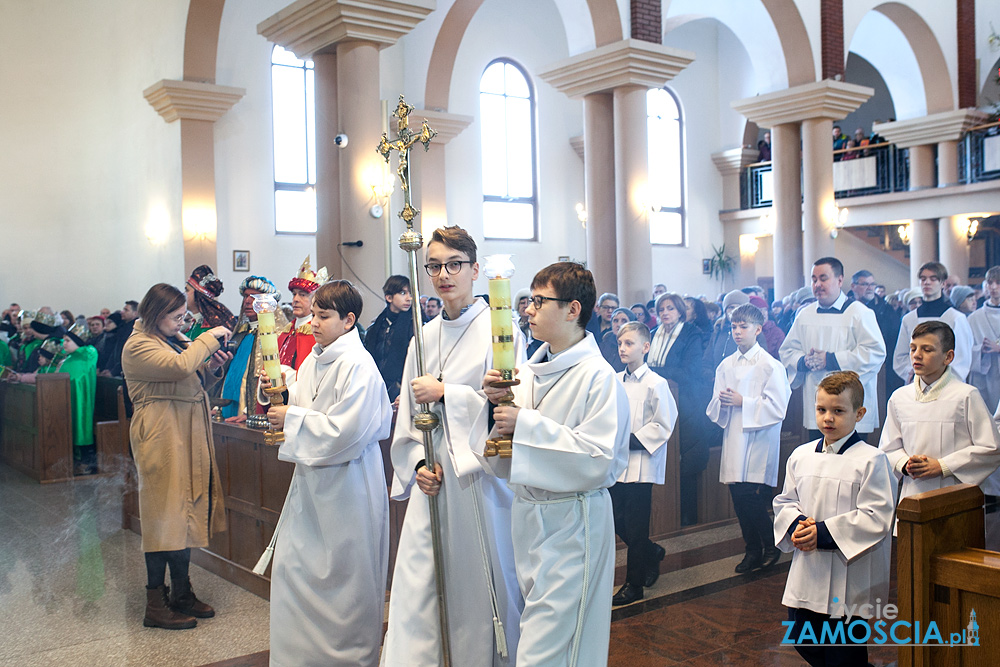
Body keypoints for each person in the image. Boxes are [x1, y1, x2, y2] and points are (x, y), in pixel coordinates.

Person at [381, 226, 523, 667]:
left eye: (454, 265)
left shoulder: (500, 331)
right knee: (421, 581)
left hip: (478, 480)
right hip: (434, 481)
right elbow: (407, 418)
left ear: (475, 270)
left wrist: (447, 392)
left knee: (478, 582)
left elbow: (506, 407)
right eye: (435, 266)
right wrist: (418, 461)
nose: (444, 274)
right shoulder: (421, 337)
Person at [484, 261, 629, 666]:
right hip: (529, 519)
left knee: (547, 652)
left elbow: (600, 460)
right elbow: (505, 451)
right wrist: (495, 410)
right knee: (539, 637)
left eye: (538, 300)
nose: (527, 309)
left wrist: (524, 425)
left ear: (572, 309)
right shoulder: (527, 373)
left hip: (573, 524)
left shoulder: (599, 377)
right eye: (529, 300)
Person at [259, 280, 392, 666]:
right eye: (313, 314)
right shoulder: (314, 359)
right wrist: (281, 390)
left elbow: (344, 433)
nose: (313, 323)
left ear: (349, 320)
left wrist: (292, 417)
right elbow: (301, 401)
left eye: (323, 316)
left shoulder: (359, 366)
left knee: (345, 584)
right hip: (311, 488)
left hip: (348, 488)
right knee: (295, 572)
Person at [121, 283, 233, 630]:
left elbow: (194, 382)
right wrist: (210, 337)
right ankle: (155, 602)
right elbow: (180, 367)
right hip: (161, 434)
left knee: (184, 512)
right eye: (176, 317)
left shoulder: (172, 339)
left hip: (186, 429)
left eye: (184, 316)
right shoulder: (138, 345)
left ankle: (182, 593)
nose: (182, 323)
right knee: (162, 517)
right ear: (154, 315)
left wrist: (213, 367)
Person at [773, 371, 895, 667]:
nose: (828, 418)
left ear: (859, 414)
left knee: (844, 653)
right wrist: (796, 525)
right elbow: (785, 501)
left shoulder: (871, 459)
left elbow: (876, 515)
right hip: (810, 569)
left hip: (849, 573)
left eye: (838, 411)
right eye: (822, 409)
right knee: (804, 638)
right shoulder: (801, 456)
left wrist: (823, 533)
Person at [707, 304, 790, 574]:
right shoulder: (726, 364)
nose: (737, 332)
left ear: (757, 329)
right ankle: (752, 549)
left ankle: (769, 545)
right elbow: (714, 408)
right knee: (738, 498)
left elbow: (778, 407)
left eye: (743, 326)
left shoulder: (769, 365)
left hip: (759, 439)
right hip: (734, 437)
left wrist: (745, 402)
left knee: (752, 497)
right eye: (734, 326)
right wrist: (722, 403)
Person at [880, 321, 1000, 507]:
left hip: (956, 496)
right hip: (912, 497)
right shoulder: (899, 397)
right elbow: (888, 448)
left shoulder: (965, 395)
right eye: (913, 349)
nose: (917, 355)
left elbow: (991, 448)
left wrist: (943, 465)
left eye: (927, 349)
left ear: (948, 356)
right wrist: (905, 464)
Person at [779, 257, 886, 440]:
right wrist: (803, 361)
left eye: (823, 278)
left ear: (839, 280)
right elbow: (787, 351)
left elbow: (875, 352)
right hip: (817, 403)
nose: (817, 284)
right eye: (814, 280)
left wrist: (830, 359)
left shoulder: (859, 313)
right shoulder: (805, 315)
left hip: (849, 403)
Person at [609, 321, 676, 606]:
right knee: (614, 518)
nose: (623, 348)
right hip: (616, 463)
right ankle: (651, 552)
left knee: (636, 528)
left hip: (641, 464)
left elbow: (664, 423)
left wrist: (631, 440)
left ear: (645, 347)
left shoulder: (655, 383)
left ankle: (633, 584)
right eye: (621, 343)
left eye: (630, 344)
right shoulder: (613, 379)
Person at [648, 292, 714, 525]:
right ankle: (665, 515)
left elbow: (690, 371)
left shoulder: (691, 333)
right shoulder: (653, 335)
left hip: (686, 404)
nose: (665, 313)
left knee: (685, 461)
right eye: (661, 309)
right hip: (657, 402)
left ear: (680, 312)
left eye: (671, 308)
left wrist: (656, 373)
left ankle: (687, 514)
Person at [893, 262, 974, 383]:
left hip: (947, 385)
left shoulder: (955, 318)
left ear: (942, 283)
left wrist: (937, 377)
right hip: (915, 382)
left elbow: (962, 358)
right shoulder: (909, 319)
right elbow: (901, 356)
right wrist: (913, 371)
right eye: (923, 279)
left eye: (933, 279)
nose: (927, 282)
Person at [220, 275, 281, 421]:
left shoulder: (275, 336)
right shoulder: (241, 334)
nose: (247, 301)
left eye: (254, 297)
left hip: (250, 414)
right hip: (228, 409)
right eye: (246, 296)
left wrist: (250, 411)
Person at [363, 274, 414, 403]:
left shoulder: (415, 324)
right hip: (377, 389)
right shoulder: (377, 326)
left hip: (404, 390)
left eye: (410, 293)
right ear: (389, 297)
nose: (409, 298)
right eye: (403, 293)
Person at [276, 257, 327, 372]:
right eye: (294, 294)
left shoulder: (318, 331)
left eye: (303, 295)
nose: (295, 299)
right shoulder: (287, 330)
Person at [969, 266, 1000, 410]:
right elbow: (966, 349)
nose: (993, 287)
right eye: (990, 282)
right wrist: (979, 350)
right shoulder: (975, 318)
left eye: (998, 282)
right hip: (985, 377)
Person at [185, 265, 237, 340]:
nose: (184, 294)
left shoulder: (212, 328)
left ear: (198, 295)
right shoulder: (195, 323)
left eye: (187, 290)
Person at [598, 306, 634, 372]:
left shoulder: (634, 346)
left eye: (624, 321)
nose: (619, 324)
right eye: (615, 321)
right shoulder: (603, 345)